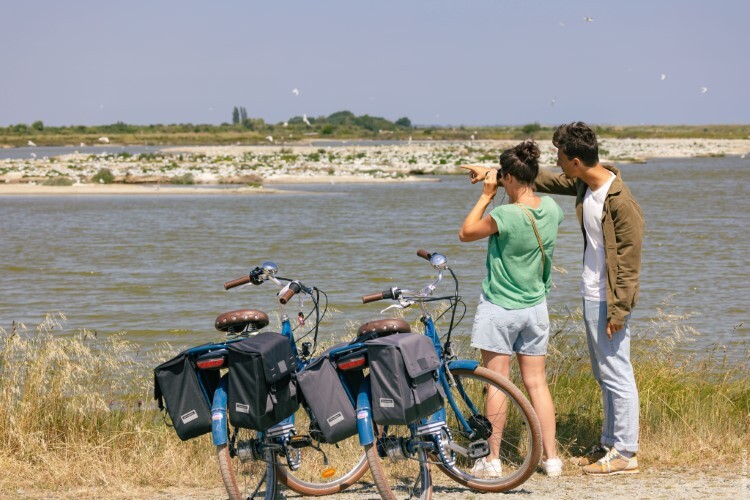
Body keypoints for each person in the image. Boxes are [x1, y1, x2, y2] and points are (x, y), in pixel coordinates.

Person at [534, 121, 643, 475]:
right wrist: (501, 171)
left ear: (577, 160)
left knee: (617, 372)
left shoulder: (621, 202)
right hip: (590, 294)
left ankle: (626, 451)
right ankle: (609, 443)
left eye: (561, 158)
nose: (559, 164)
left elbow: (629, 263)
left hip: (609, 300)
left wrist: (620, 311)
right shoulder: (585, 184)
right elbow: (547, 180)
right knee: (604, 372)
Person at [459, 140, 564, 478]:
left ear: (509, 179)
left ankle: (492, 459)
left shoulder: (503, 214)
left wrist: (487, 194)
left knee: (498, 383)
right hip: (535, 309)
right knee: (537, 383)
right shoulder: (552, 209)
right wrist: (496, 174)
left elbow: (466, 232)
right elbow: (525, 187)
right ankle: (552, 458)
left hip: (500, 308)